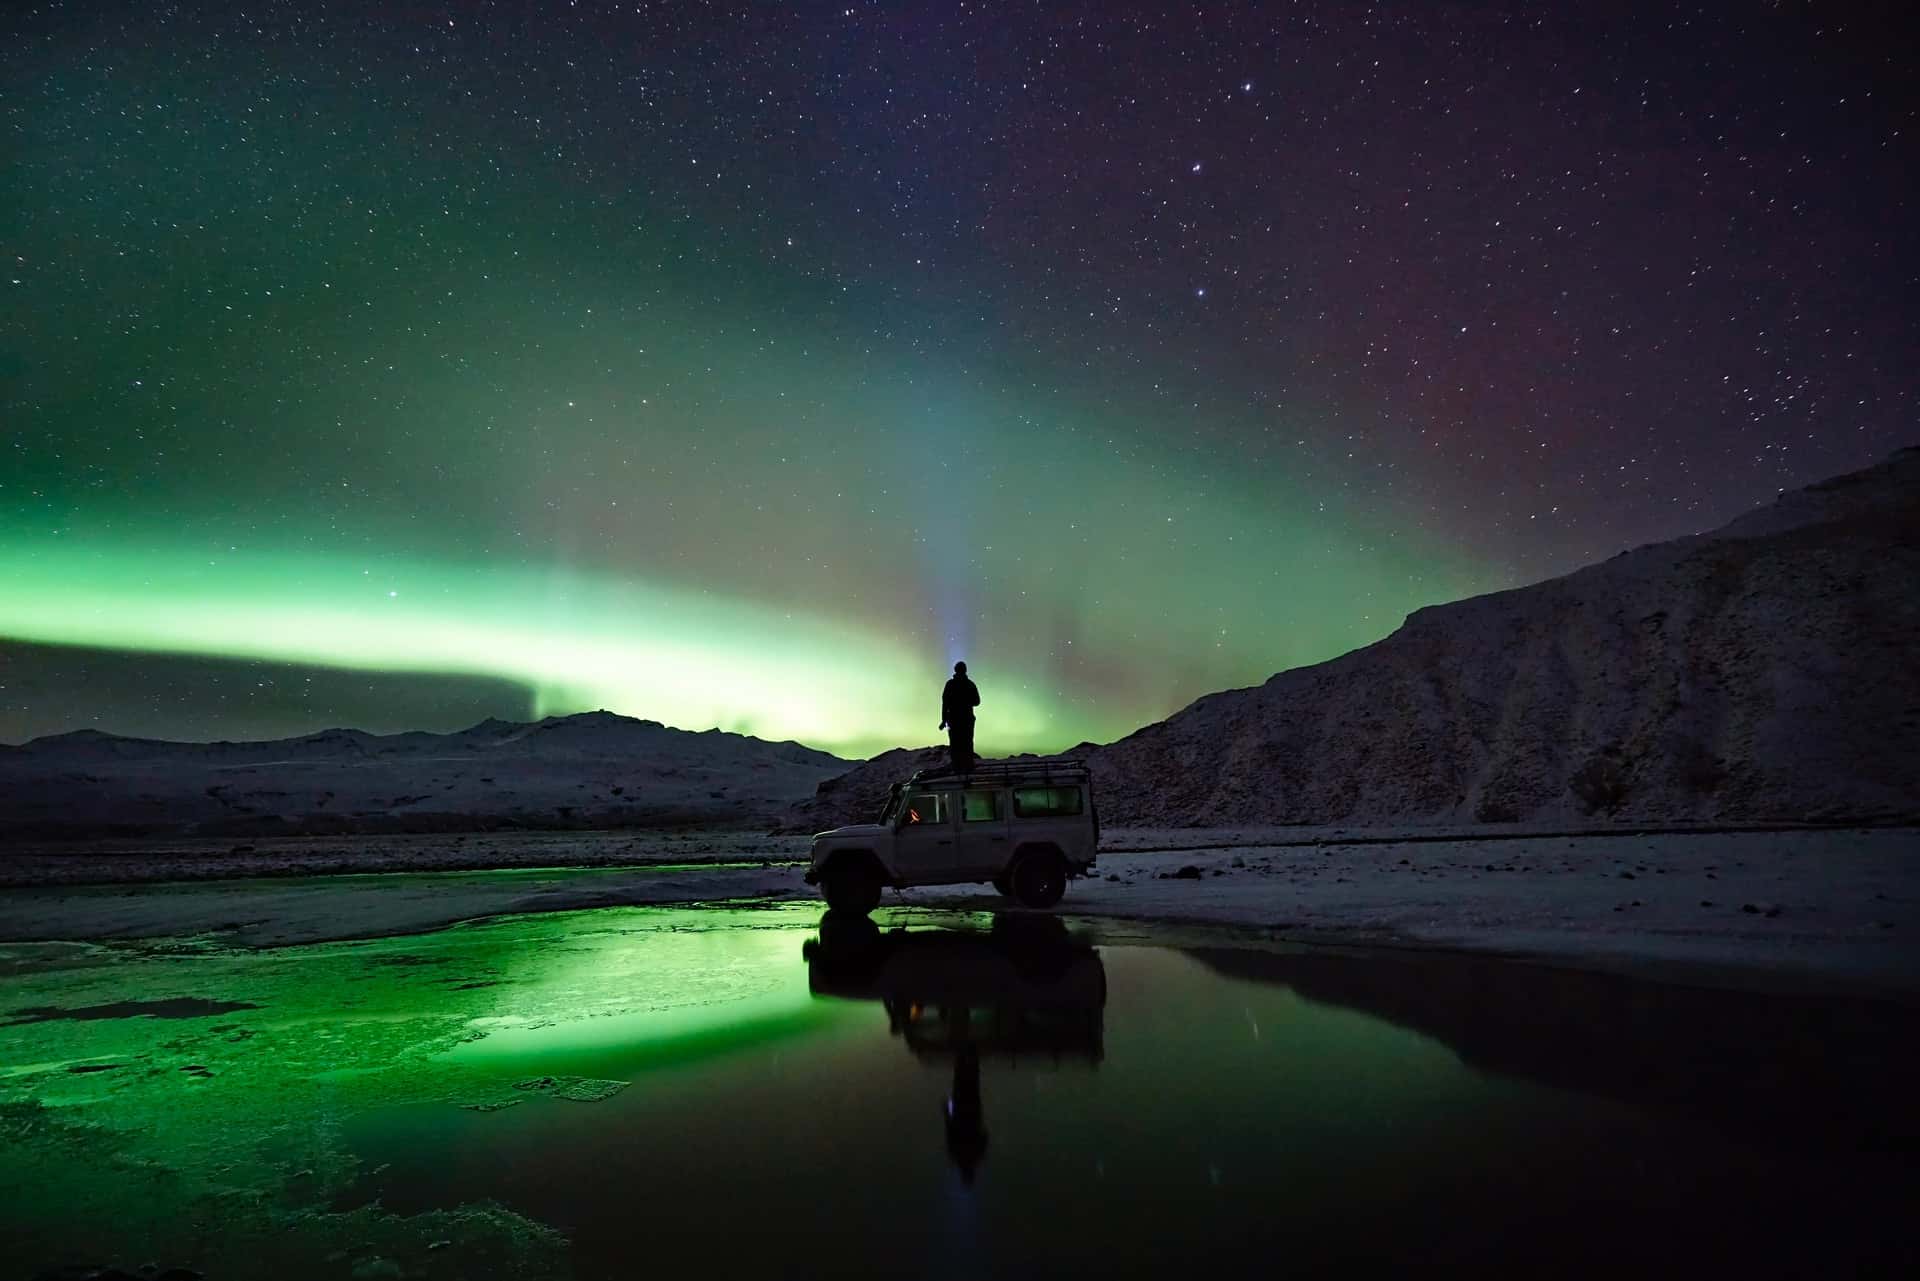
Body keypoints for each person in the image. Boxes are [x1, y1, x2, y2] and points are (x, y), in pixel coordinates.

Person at [939, 661, 980, 773]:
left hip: (953, 719)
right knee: (967, 742)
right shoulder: (970, 684)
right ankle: (967, 767)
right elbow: (977, 701)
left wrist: (943, 720)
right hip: (966, 719)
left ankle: (957, 767)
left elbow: (945, 703)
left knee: (955, 743)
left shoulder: (950, 684)